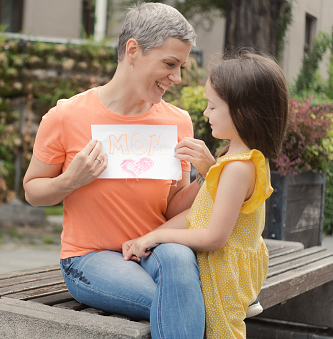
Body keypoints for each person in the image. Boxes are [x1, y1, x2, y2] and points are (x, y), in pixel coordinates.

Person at [23, 3, 216, 338]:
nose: (178, 78)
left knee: (180, 262)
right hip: (90, 258)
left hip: (155, 248)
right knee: (180, 302)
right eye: (170, 64)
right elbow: (32, 191)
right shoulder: (66, 116)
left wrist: (206, 178)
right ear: (133, 50)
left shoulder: (178, 121)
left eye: (181, 66)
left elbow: (171, 209)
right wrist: (70, 181)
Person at [122, 52, 290, 338]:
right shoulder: (232, 158)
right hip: (221, 274)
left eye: (212, 106)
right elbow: (197, 213)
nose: (205, 113)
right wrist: (145, 238)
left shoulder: (238, 167)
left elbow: (214, 237)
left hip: (221, 281)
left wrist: (155, 237)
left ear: (241, 110)